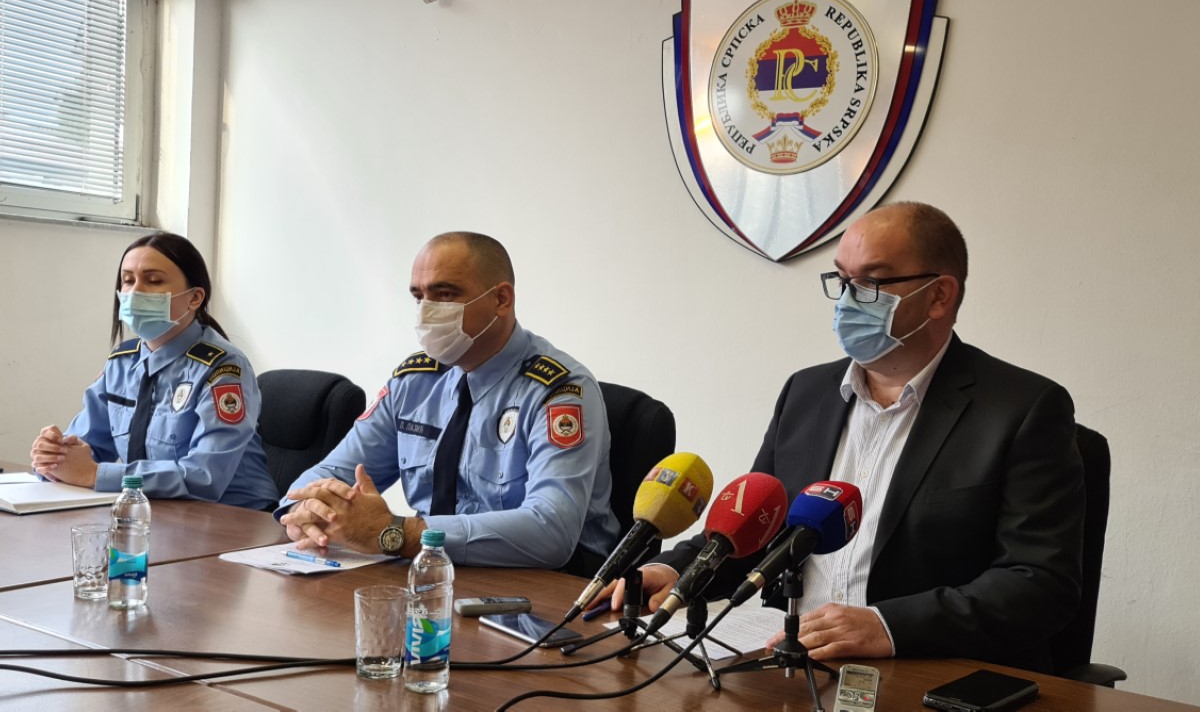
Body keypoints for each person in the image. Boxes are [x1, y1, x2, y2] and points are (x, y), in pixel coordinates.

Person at [600, 202, 1085, 673]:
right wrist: (677, 572)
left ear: (939, 296)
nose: (849, 301)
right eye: (843, 281)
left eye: (871, 283)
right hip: (787, 660)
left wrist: (887, 626)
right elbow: (754, 527)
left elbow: (1040, 583)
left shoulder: (1022, 409)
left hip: (926, 670)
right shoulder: (806, 392)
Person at [278, 232, 620, 575]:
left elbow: (551, 531)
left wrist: (395, 532)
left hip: (551, 583)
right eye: (419, 297)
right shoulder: (414, 382)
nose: (426, 312)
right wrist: (307, 513)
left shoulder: (559, 390)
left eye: (444, 295)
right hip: (434, 571)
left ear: (501, 299)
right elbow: (326, 475)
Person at [28, 233, 277, 511]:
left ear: (195, 298)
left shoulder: (223, 367)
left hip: (234, 516)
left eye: (154, 281)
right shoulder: (121, 362)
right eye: (128, 280)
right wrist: (55, 456)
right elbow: (87, 446)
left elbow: (205, 477)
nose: (135, 292)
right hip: (154, 511)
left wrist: (95, 475)